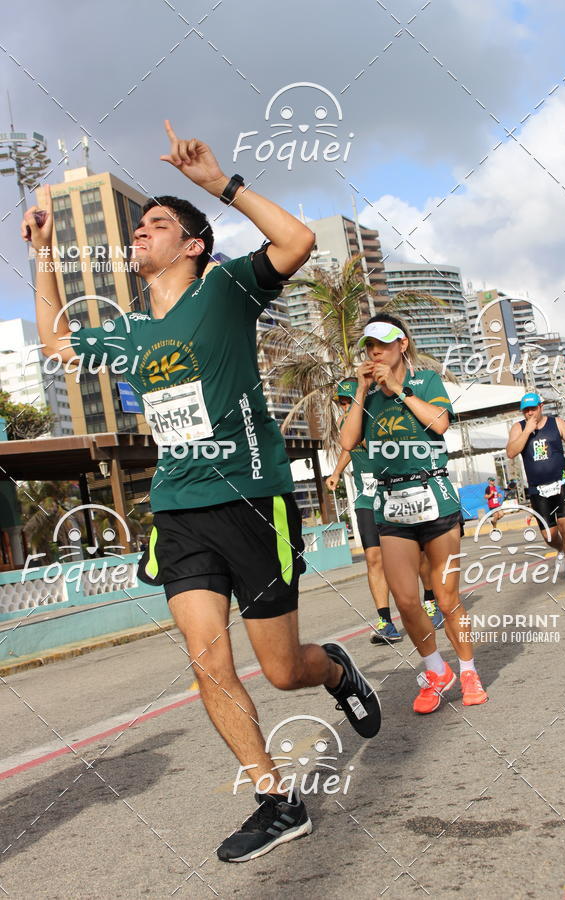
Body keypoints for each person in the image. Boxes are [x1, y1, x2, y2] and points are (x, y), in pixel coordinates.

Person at [22, 121, 381, 863]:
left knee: (282, 670)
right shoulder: (129, 332)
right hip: (178, 509)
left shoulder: (225, 289)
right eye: (138, 226)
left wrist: (220, 184)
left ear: (192, 246)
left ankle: (335, 668)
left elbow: (296, 241)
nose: (140, 232)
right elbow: (56, 344)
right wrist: (43, 254)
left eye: (156, 224)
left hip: (250, 497)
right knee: (207, 661)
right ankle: (277, 801)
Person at [340, 313, 489, 714]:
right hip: (391, 505)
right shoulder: (366, 397)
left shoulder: (425, 381)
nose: (375, 352)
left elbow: (439, 424)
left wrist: (399, 389)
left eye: (382, 344)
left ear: (402, 344)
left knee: (446, 598)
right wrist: (361, 389)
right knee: (406, 601)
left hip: (434, 498)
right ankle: (436, 670)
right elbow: (349, 441)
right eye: (369, 346)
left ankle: (469, 671)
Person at [326, 378, 402, 644]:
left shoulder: (379, 419)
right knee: (374, 559)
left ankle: (430, 601)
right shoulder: (345, 423)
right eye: (342, 402)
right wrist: (337, 472)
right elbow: (349, 447)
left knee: (411, 555)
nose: (345, 407)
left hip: (393, 494)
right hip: (366, 499)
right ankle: (386, 622)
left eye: (349, 401)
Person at [506, 392, 565, 584]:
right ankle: (561, 550)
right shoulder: (518, 427)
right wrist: (527, 431)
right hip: (537, 489)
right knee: (549, 535)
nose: (530, 413)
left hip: (561, 482)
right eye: (526, 410)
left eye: (533, 409)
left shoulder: (556, 423)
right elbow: (511, 452)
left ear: (541, 407)